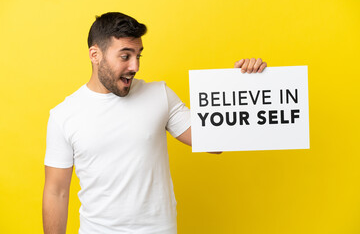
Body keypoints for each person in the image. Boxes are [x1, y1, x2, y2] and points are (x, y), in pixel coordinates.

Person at [42, 12, 267, 234]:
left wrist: (242, 87)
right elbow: (56, 192)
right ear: (95, 54)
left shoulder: (160, 95)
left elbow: (214, 144)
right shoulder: (64, 115)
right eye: (125, 56)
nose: (135, 66)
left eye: (138, 55)